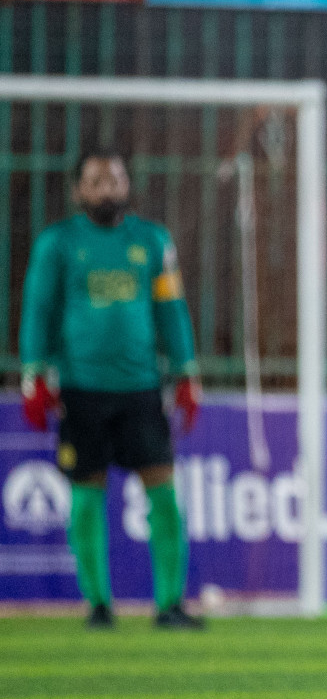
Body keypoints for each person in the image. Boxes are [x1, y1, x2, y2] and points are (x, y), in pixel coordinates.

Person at [19, 150, 204, 629]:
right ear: (78, 190)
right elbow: (38, 309)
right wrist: (32, 372)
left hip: (142, 389)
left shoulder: (152, 241)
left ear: (128, 185)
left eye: (116, 179)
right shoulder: (58, 244)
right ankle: (98, 604)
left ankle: (170, 604)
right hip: (82, 389)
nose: (108, 189)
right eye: (97, 181)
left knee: (163, 495)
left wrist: (187, 370)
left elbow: (171, 308)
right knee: (86, 499)